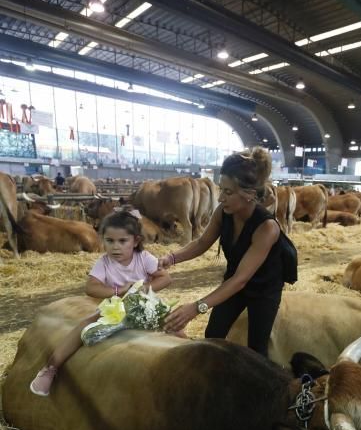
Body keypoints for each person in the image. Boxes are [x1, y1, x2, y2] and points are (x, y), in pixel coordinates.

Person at [30, 210, 172, 397]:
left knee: (174, 323)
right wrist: (118, 291)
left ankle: (191, 357)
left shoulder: (144, 258)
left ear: (136, 241)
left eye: (122, 241)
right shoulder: (104, 262)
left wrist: (144, 288)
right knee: (84, 326)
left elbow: (165, 278)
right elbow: (91, 287)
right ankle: (50, 368)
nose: (115, 247)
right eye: (109, 241)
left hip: (144, 305)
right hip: (114, 309)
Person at [160, 147, 283, 357]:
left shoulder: (267, 227)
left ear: (249, 194)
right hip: (233, 279)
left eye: (228, 192)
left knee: (257, 347)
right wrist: (171, 258)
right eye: (221, 189)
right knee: (213, 333)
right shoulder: (223, 212)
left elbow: (240, 280)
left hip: (264, 287)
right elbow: (201, 244)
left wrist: (196, 307)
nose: (220, 198)